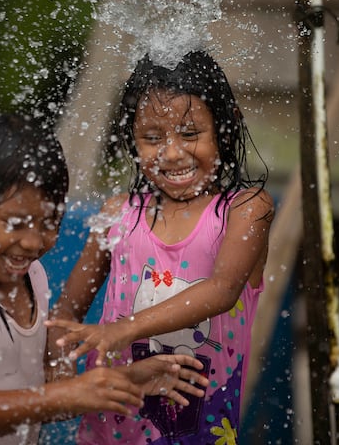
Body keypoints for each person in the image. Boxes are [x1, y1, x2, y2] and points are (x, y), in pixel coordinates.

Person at [0, 113, 209, 444]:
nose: (33, 243)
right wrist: (68, 394)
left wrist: (122, 381)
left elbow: (45, 399)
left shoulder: (31, 275)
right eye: (15, 223)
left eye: (49, 223)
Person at [47, 50, 275, 443]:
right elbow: (66, 312)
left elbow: (221, 290)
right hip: (109, 432)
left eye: (190, 134)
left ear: (226, 127)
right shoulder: (118, 215)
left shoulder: (245, 210)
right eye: (152, 138)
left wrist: (125, 329)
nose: (171, 153)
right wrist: (61, 371)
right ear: (132, 140)